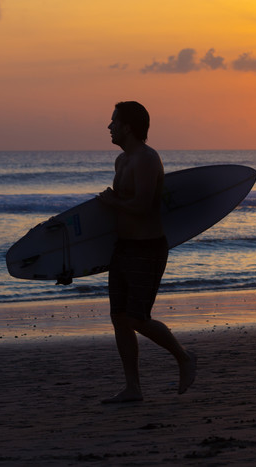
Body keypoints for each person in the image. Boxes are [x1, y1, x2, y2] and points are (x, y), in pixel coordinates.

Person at [97, 101, 196, 403]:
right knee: (118, 317)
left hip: (148, 247)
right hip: (123, 247)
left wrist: (112, 203)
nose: (109, 126)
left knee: (137, 318)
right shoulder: (121, 161)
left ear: (128, 126)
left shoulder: (146, 159)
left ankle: (183, 356)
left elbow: (141, 206)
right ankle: (133, 388)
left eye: (114, 121)